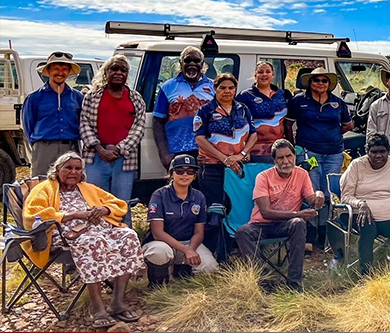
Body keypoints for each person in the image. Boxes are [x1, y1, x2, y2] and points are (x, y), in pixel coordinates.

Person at [23, 152, 145, 329]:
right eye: (68, 168)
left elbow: (119, 204)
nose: (73, 172)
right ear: (58, 170)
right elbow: (33, 215)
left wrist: (104, 210)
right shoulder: (44, 189)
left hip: (99, 229)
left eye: (78, 169)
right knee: (92, 242)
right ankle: (98, 309)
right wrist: (74, 215)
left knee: (129, 236)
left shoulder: (86, 188)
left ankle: (117, 302)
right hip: (65, 235)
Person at [235, 139, 325, 292]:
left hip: (286, 225)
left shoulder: (302, 174)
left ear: (295, 157)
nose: (286, 161)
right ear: (274, 160)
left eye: (289, 156)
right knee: (242, 232)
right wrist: (298, 214)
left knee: (299, 223)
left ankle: (294, 283)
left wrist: (319, 195)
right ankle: (264, 281)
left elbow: (311, 199)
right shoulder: (263, 177)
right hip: (261, 224)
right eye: (281, 158)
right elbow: (265, 212)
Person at [328, 134, 390, 274]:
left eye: (382, 151)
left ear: (388, 151)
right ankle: (367, 275)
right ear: (367, 152)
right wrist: (361, 204)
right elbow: (346, 197)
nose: (378, 156)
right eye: (374, 152)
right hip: (359, 215)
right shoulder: (357, 165)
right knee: (367, 224)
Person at [285, 67, 352, 251]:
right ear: (310, 82)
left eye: (324, 81)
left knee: (329, 193)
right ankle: (311, 233)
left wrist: (332, 135)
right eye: (316, 80)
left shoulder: (337, 103)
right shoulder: (299, 101)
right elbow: (288, 124)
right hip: (309, 152)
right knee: (312, 192)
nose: (320, 83)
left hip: (333, 153)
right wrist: (293, 147)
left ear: (329, 84)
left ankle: (326, 233)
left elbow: (348, 124)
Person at [194, 73, 256, 258]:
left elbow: (253, 134)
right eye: (223, 88)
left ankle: (230, 252)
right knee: (214, 212)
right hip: (212, 167)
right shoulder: (205, 110)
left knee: (234, 209)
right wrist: (224, 158)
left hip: (237, 168)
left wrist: (241, 155)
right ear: (215, 89)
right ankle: (211, 255)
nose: (227, 91)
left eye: (231, 88)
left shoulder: (243, 109)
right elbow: (199, 138)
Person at [78, 54, 146, 223]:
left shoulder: (136, 99)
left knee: (121, 203)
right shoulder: (92, 97)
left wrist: (119, 148)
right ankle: (96, 239)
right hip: (95, 157)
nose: (118, 73)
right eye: (114, 69)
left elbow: (139, 128)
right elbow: (84, 123)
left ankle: (125, 240)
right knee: (94, 201)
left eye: (123, 70)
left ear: (127, 75)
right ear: (106, 72)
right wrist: (99, 148)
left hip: (124, 159)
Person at [143, 154, 219, 287]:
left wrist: (191, 249)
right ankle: (158, 284)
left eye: (190, 171)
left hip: (189, 242)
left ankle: (184, 276)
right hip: (162, 243)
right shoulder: (159, 195)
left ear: (195, 175)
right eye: (180, 171)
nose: (185, 175)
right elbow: (157, 233)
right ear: (171, 174)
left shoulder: (198, 196)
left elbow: (199, 232)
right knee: (158, 253)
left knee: (210, 267)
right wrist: (186, 251)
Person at [22, 51, 84, 177]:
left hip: (70, 147)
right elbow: (28, 126)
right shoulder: (35, 98)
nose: (60, 73)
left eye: (64, 69)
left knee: (69, 187)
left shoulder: (77, 97)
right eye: (56, 68)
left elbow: (82, 123)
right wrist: (39, 147)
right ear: (49, 71)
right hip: (44, 149)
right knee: (41, 186)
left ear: (68, 72)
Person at [153, 47, 215, 169]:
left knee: (205, 187)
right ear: (181, 63)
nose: (192, 63)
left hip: (209, 149)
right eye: (187, 60)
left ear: (202, 64)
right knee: (180, 187)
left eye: (196, 60)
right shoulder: (168, 86)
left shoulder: (214, 86)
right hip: (177, 150)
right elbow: (157, 121)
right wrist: (164, 153)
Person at [236, 61, 292, 163]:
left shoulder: (281, 94)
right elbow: (238, 124)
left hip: (279, 150)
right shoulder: (245, 96)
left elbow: (287, 122)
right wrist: (244, 150)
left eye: (268, 72)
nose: (264, 74)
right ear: (255, 75)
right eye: (260, 72)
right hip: (255, 151)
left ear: (273, 75)